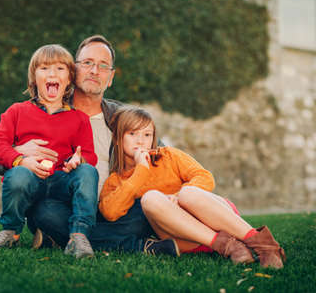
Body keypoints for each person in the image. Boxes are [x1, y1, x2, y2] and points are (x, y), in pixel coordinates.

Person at [0, 35, 179, 256]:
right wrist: (20, 152)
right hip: (64, 205)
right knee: (45, 213)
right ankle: (139, 246)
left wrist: (180, 190)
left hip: (117, 207)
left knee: (145, 212)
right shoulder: (38, 110)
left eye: (103, 66)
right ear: (75, 71)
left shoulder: (122, 118)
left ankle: (57, 238)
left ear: (110, 78)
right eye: (88, 63)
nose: (94, 71)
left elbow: (164, 156)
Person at [99, 106, 286, 269]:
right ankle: (229, 246)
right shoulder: (116, 180)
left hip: (217, 218)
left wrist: (177, 196)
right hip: (189, 237)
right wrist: (140, 170)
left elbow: (205, 177)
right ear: (118, 139)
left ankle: (265, 246)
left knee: (188, 193)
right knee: (151, 199)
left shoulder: (168, 156)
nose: (140, 141)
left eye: (147, 135)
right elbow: (110, 212)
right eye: (132, 134)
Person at [0, 44, 99, 259]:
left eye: (59, 69)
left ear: (69, 80)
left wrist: (78, 160)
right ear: (34, 77)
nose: (52, 74)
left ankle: (79, 236)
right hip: (30, 180)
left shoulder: (79, 119)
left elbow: (89, 156)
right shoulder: (17, 111)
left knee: (88, 172)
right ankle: (11, 231)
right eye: (44, 68)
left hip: (61, 182)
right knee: (18, 175)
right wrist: (20, 159)